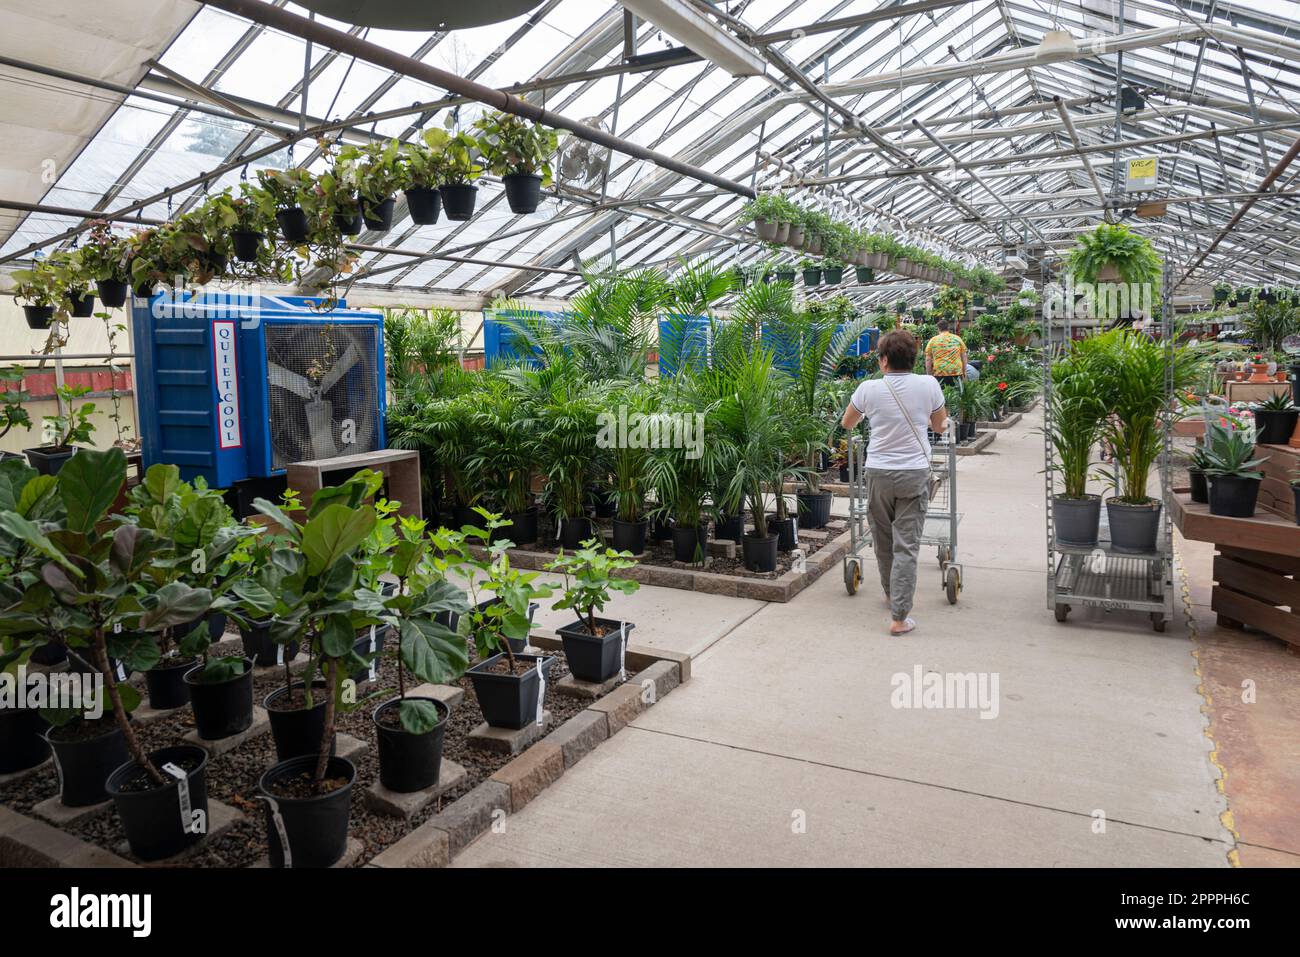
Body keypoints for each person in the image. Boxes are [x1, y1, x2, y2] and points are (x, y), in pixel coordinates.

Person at [841, 330, 948, 636]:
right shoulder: (929, 384)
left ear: (884, 360)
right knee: (907, 545)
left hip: (878, 473)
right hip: (914, 473)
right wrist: (919, 418)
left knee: (883, 540)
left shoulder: (869, 388)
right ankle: (899, 616)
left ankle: (891, 595)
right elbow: (940, 425)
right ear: (913, 358)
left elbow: (848, 422)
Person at [924, 319, 967, 389]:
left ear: (938, 328)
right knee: (956, 395)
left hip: (940, 372)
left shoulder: (933, 341)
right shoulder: (957, 339)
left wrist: (929, 374)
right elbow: (964, 356)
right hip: (956, 371)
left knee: (941, 394)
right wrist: (964, 371)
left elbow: (928, 359)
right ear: (948, 328)